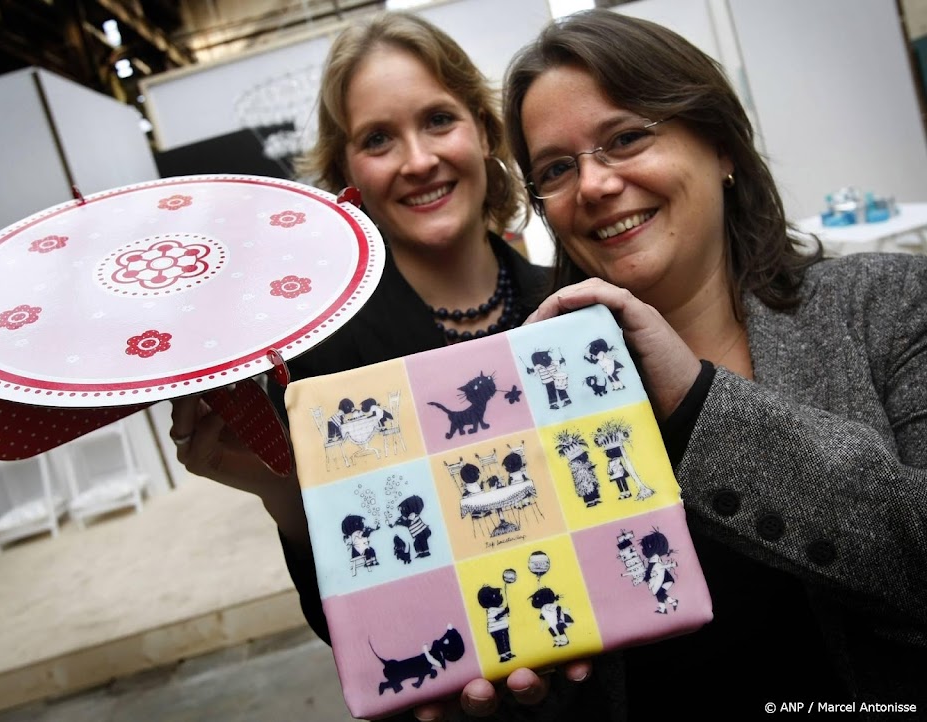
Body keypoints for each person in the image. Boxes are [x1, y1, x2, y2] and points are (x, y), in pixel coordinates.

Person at [503, 8, 926, 719]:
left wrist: (699, 403)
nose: (594, 184)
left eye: (626, 138)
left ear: (722, 147)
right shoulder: (537, 392)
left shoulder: (888, 305)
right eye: (556, 168)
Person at [169, 10, 591, 722]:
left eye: (438, 120)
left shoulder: (573, 307)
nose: (418, 160)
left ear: (484, 131)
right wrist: (281, 493)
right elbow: (345, 617)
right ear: (348, 174)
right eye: (377, 139)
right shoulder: (320, 364)